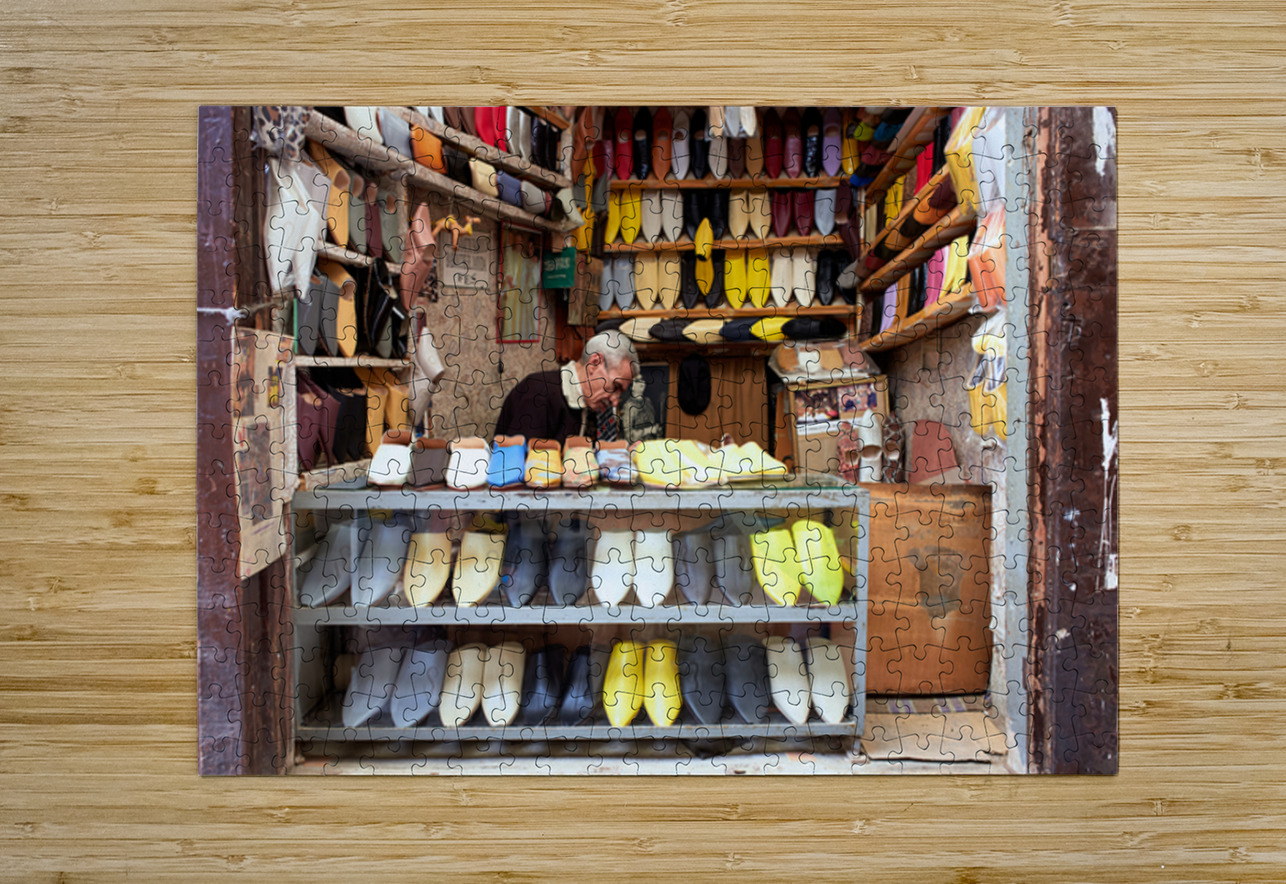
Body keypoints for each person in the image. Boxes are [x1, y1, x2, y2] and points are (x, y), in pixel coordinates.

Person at [493, 330, 638, 444]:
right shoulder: (537, 393)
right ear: (594, 363)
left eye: (621, 392)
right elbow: (517, 471)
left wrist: (623, 458)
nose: (615, 400)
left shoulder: (597, 406)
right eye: (615, 386)